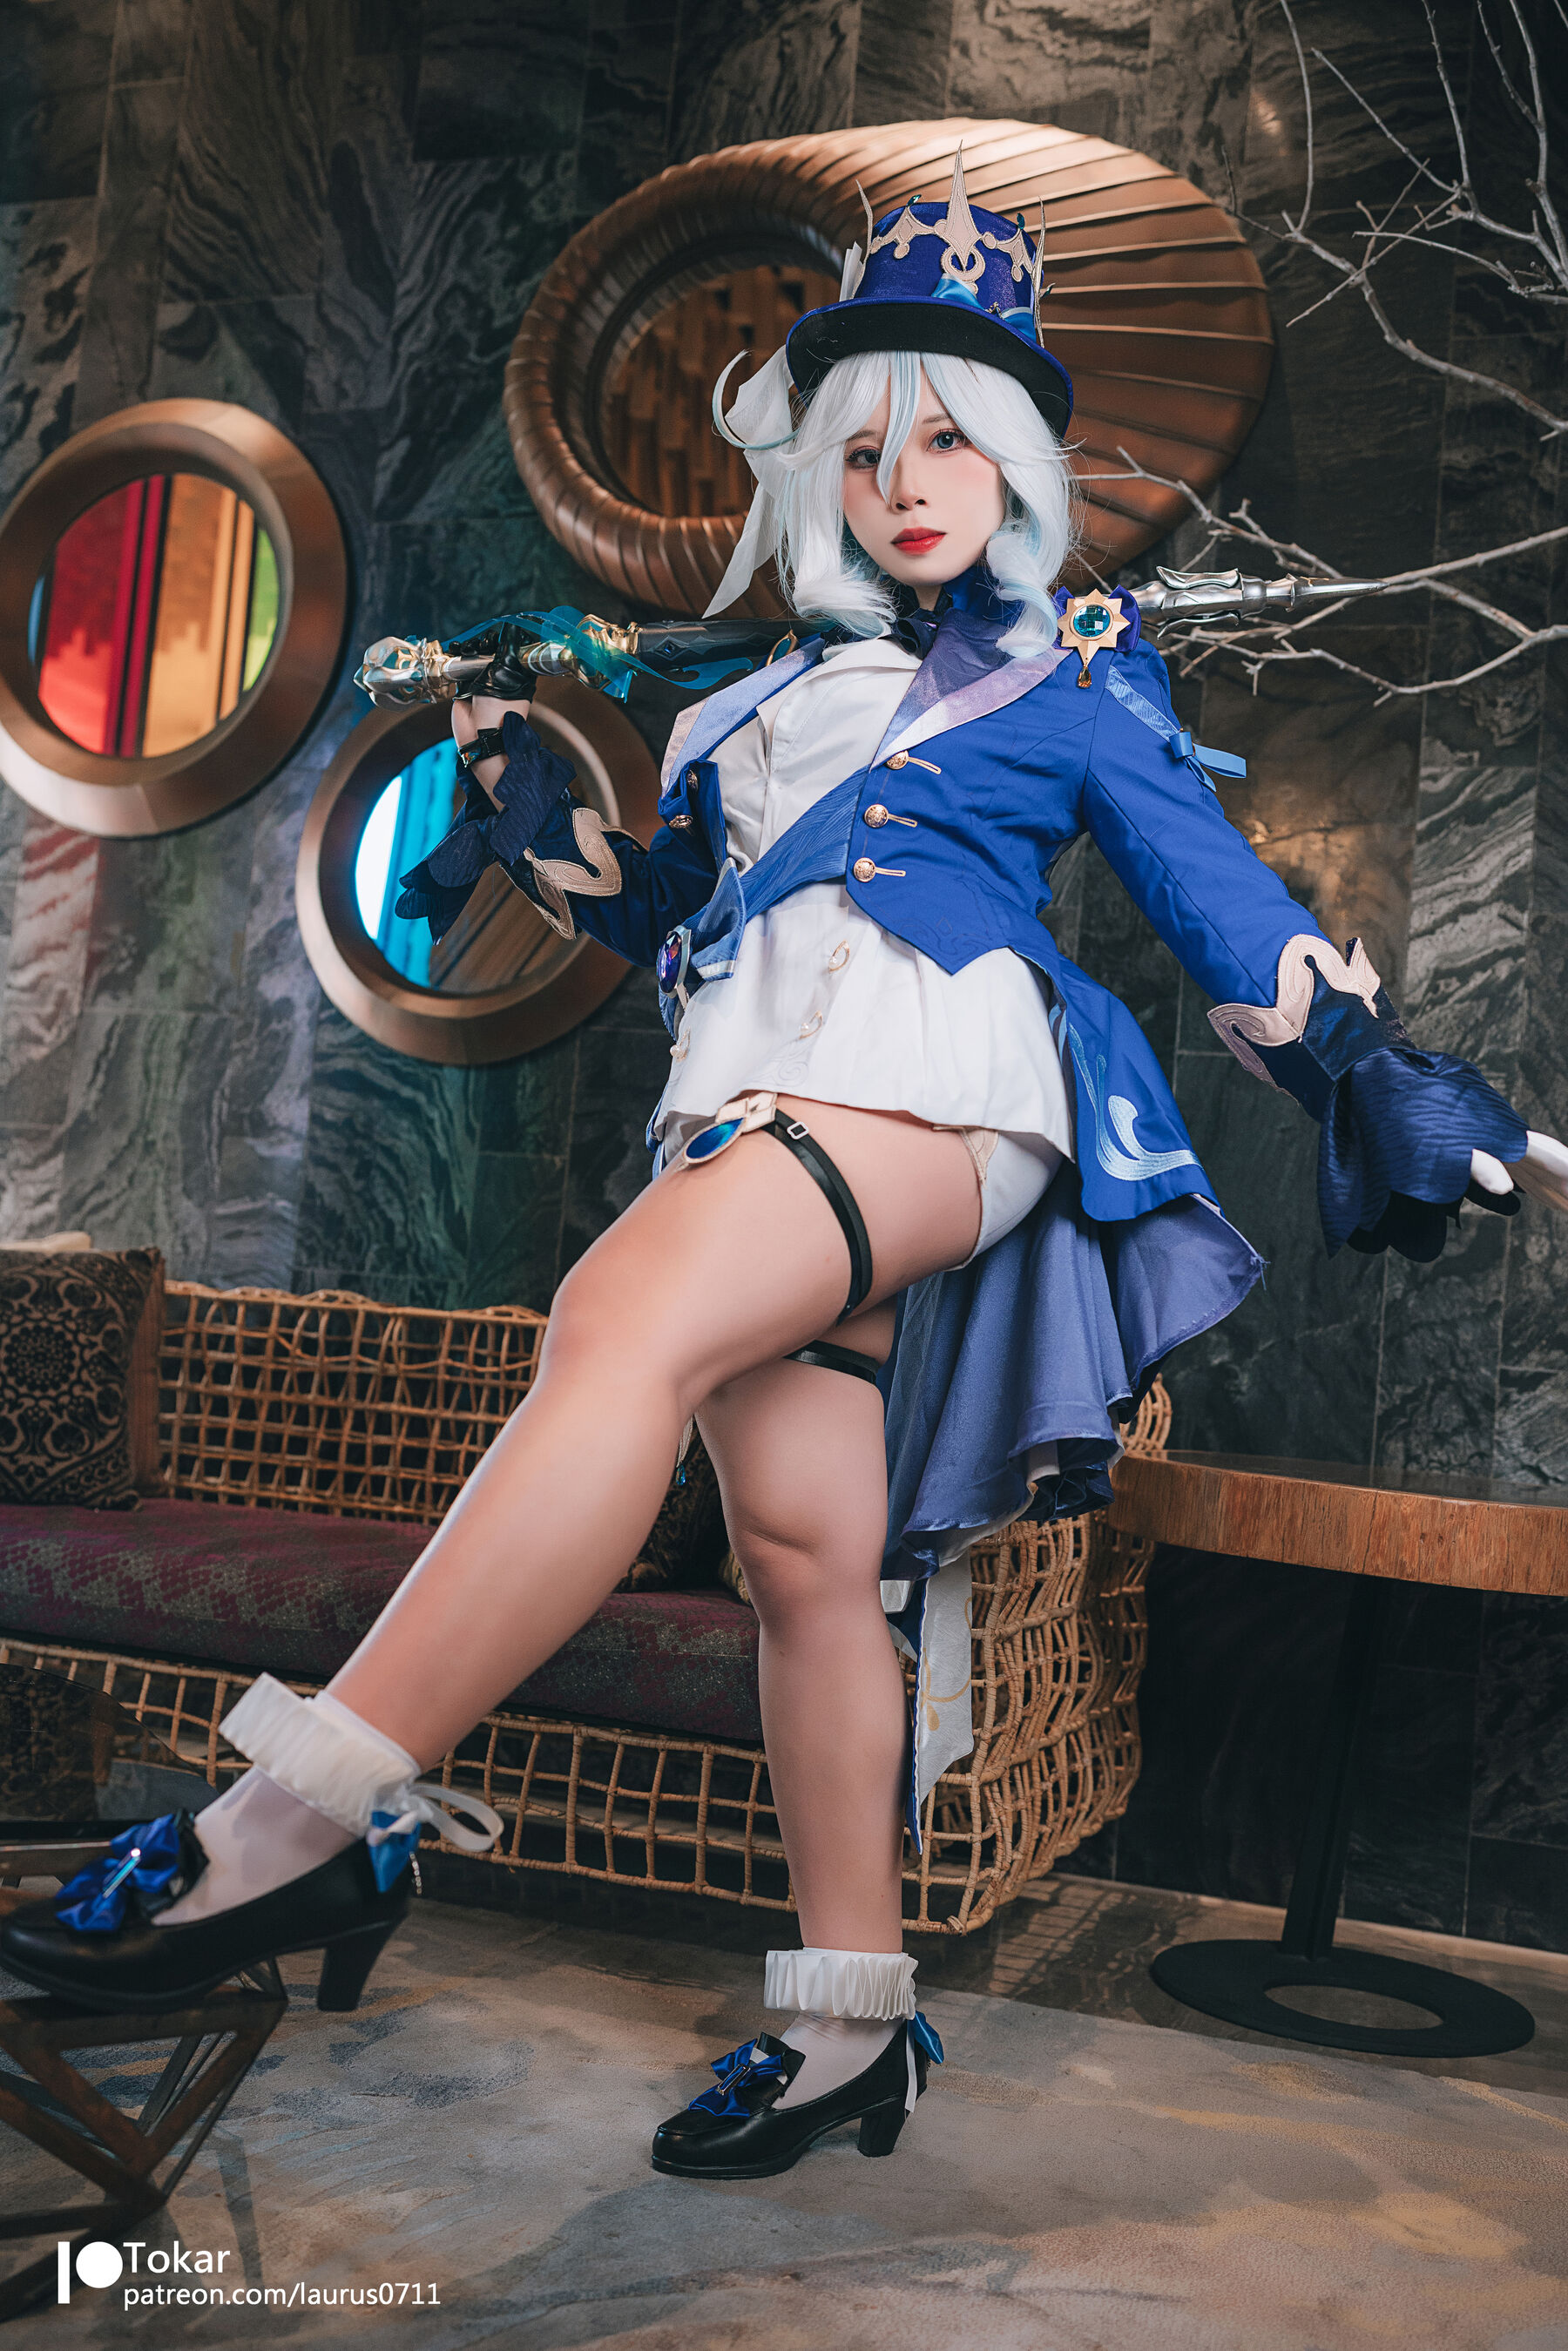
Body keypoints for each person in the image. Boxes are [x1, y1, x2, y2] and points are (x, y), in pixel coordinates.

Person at [7, 159, 1565, 2183]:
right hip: (753, 1093)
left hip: (941, 1087)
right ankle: (850, 2026)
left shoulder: (1070, 668)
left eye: (953, 439)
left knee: (614, 1321)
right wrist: (523, 807)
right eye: (867, 444)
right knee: (809, 1564)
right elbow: (684, 922)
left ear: (1014, 464)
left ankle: (296, 1823)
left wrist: (1367, 1064)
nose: (910, 480)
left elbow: (1211, 898)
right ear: (816, 471)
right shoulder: (739, 704)